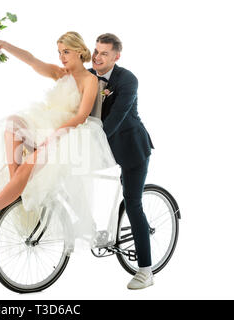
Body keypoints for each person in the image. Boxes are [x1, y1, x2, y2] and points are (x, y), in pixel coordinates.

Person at [0, 31, 117, 250]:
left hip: (69, 134)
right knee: (12, 123)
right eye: (59, 52)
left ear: (79, 52)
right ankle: (16, 188)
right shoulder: (60, 73)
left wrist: (55, 135)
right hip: (44, 125)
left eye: (66, 52)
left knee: (31, 163)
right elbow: (31, 60)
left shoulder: (90, 80)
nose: (62, 57)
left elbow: (81, 116)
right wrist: (4, 44)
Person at [88, 33, 155, 290]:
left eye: (104, 53)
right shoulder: (88, 74)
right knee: (69, 176)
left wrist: (90, 141)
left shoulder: (127, 79)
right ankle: (89, 229)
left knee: (132, 203)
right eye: (96, 51)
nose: (98, 57)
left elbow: (115, 118)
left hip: (131, 147)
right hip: (102, 147)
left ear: (117, 56)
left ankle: (146, 271)